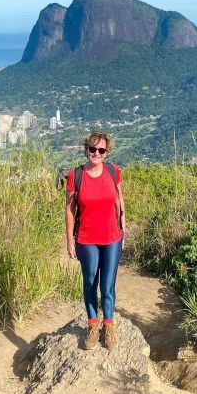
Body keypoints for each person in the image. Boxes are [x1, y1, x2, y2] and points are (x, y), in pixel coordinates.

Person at [66, 131, 125, 350]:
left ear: (107, 153)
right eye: (92, 149)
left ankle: (108, 325)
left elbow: (119, 198)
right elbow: (70, 210)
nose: (96, 153)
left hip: (111, 237)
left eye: (101, 150)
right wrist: (70, 240)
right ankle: (92, 324)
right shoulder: (76, 175)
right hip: (86, 238)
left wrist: (123, 224)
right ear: (86, 149)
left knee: (107, 285)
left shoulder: (113, 171)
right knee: (90, 282)